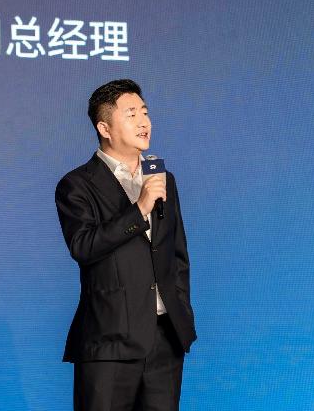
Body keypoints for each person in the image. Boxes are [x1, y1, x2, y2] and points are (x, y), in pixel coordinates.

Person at [55, 79, 197, 411]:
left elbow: (176, 254)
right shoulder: (77, 185)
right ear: (104, 128)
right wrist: (139, 208)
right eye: (131, 114)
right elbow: (83, 246)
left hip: (165, 339)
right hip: (110, 341)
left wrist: (180, 310)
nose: (144, 122)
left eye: (145, 112)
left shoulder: (162, 178)